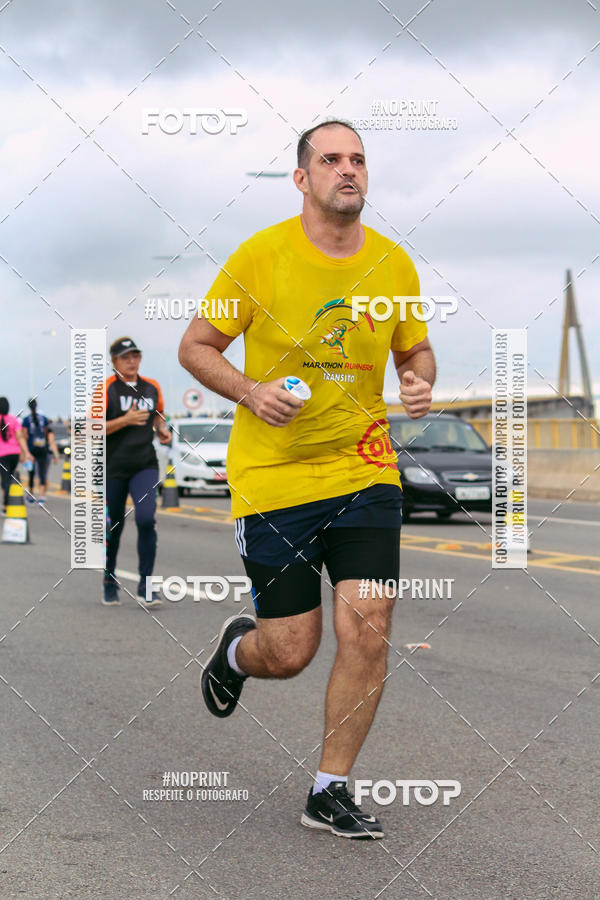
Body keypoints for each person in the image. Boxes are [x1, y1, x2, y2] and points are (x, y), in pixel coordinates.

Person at [179, 120, 436, 839]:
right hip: (274, 477)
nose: (347, 170)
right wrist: (250, 390)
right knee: (290, 652)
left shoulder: (392, 264)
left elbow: (417, 352)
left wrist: (416, 381)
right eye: (331, 160)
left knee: (371, 624)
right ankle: (238, 650)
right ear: (302, 178)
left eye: (357, 159)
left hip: (365, 469)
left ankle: (330, 788)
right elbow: (196, 346)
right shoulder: (260, 258)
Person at [102, 337, 171, 607]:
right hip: (114, 467)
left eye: (135, 355)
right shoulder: (106, 389)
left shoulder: (152, 387)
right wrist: (125, 420)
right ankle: (109, 578)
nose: (131, 361)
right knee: (114, 525)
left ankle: (146, 584)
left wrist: (162, 430)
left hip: (145, 464)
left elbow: (159, 415)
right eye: (125, 357)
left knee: (145, 519)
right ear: (114, 361)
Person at [20, 398, 59, 505]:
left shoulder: (26, 420)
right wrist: (55, 454)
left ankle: (31, 494)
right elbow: (48, 435)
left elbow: (25, 435)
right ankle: (42, 497)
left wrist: (24, 453)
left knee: (31, 473)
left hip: (31, 449)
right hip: (43, 449)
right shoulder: (44, 419)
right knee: (42, 473)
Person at [0, 398, 33, 512]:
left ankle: (6, 504)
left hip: (2, 455)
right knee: (9, 477)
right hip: (15, 454)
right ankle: (7, 501)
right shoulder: (14, 420)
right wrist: (26, 453)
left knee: (5, 479)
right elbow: (20, 437)